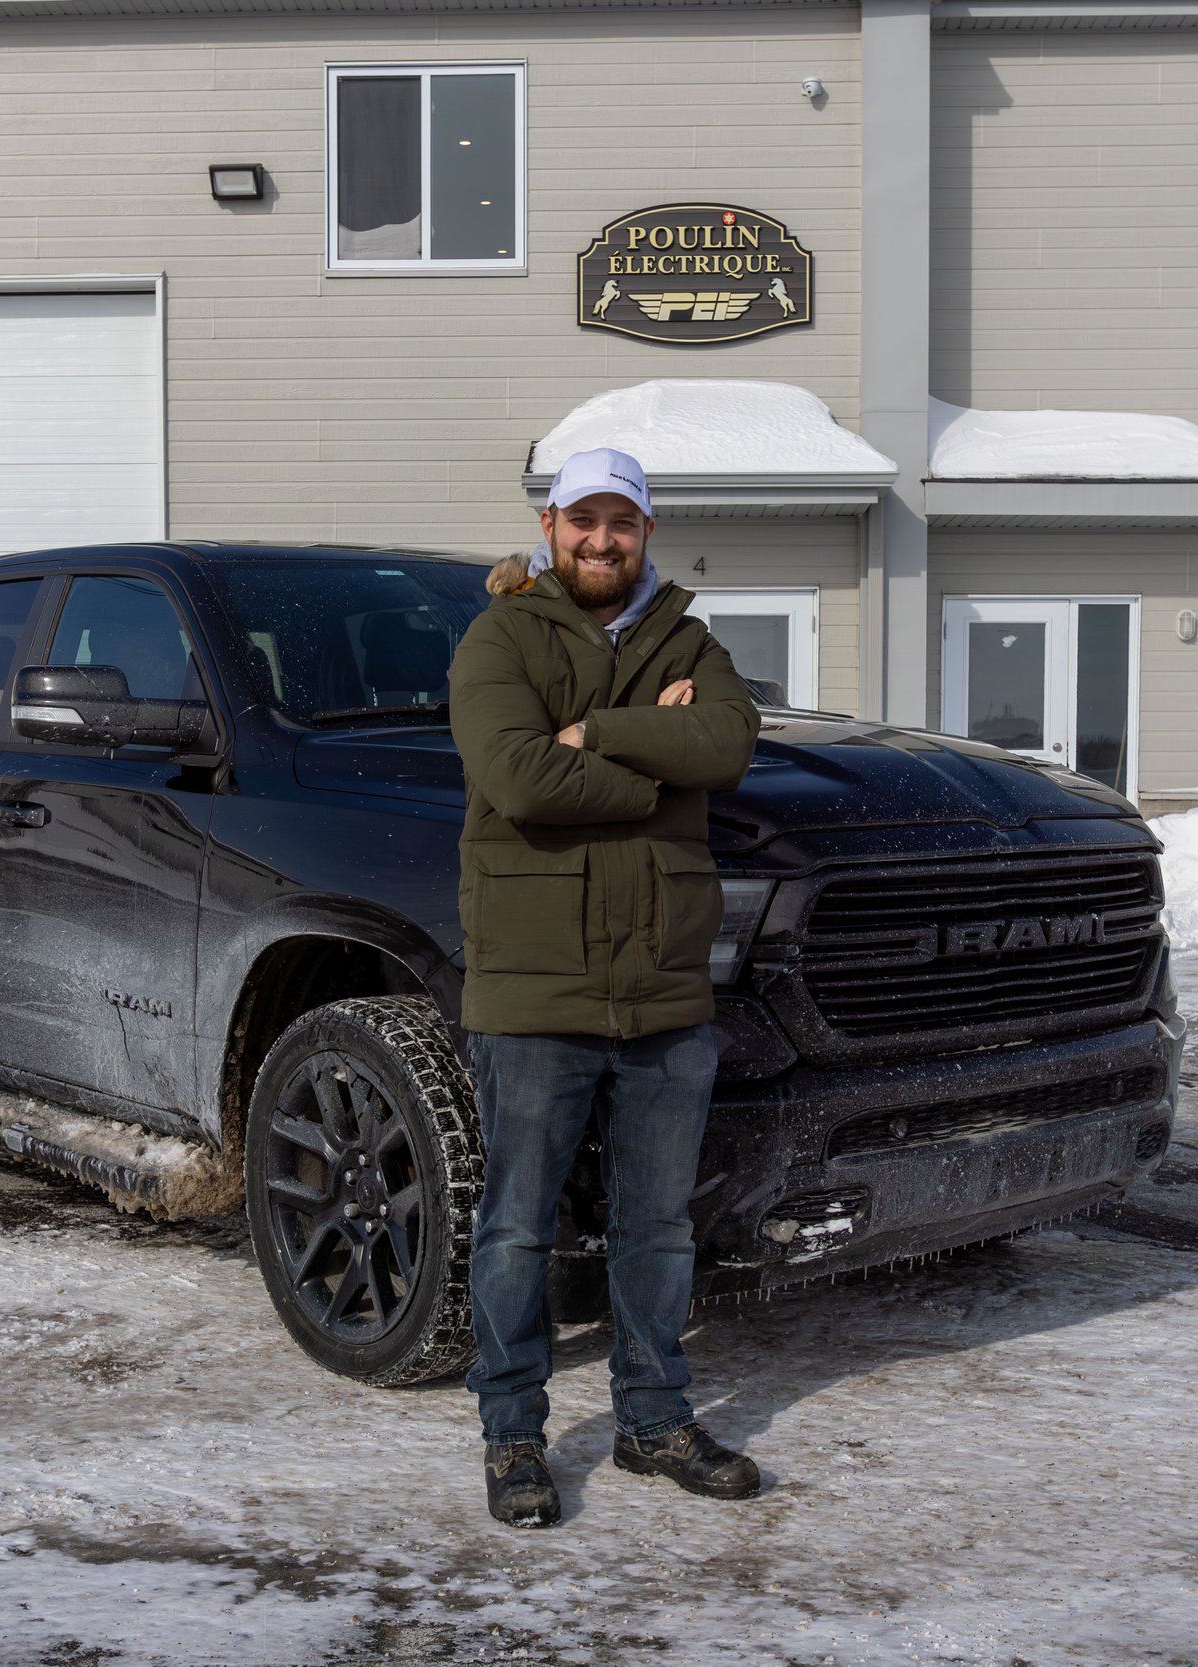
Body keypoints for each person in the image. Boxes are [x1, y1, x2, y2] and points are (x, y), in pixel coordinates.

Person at [446, 446, 763, 1528]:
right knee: (517, 1227)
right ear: (549, 529)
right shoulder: (500, 635)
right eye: (580, 520)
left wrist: (600, 732)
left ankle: (652, 1420)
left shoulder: (691, 639)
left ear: (645, 533)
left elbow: (725, 743)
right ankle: (511, 1437)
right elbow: (519, 776)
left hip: (664, 987)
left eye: (618, 522)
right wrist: (654, 763)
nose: (599, 539)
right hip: (537, 985)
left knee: (657, 1227)